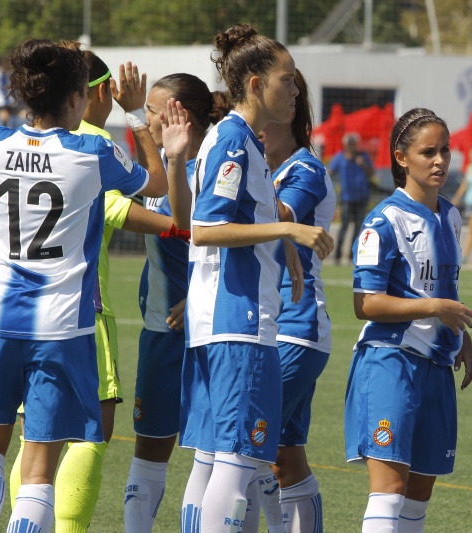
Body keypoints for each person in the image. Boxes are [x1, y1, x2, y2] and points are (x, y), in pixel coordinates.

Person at [0, 38, 167, 533]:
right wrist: (136, 115)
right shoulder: (93, 150)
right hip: (61, 327)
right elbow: (156, 185)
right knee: (38, 472)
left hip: (0, 317)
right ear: (76, 98)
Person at [178, 23, 333, 533]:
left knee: (215, 457)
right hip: (237, 317)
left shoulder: (243, 142)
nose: (294, 89)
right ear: (253, 83)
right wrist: (289, 227)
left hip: (223, 315)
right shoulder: (235, 140)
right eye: (286, 80)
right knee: (238, 459)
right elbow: (205, 228)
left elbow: (237, 222)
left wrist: (279, 240)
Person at [344, 107, 472, 533]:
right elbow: (365, 304)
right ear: (401, 158)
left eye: (445, 151)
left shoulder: (452, 217)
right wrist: (433, 309)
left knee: (420, 493)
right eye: (427, 152)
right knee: (390, 488)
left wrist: (460, 336)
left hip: (436, 366)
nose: (439, 161)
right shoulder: (383, 221)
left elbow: (445, 291)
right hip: (391, 361)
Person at [123, 73, 230, 533]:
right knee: (151, 447)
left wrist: (205, 294)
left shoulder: (217, 163)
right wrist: (133, 117)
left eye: (152, 109)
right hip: (163, 329)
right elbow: (157, 186)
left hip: (215, 330)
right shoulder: (169, 166)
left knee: (228, 456)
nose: (146, 116)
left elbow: (232, 237)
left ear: (178, 115)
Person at [330, 132, 373, 264]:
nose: (352, 146)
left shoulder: (363, 156)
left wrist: (363, 164)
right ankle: (337, 255)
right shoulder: (340, 158)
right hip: (347, 197)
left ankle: (350, 255)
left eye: (353, 144)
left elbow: (371, 173)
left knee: (358, 227)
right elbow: (330, 172)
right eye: (349, 144)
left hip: (362, 197)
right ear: (345, 145)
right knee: (345, 226)